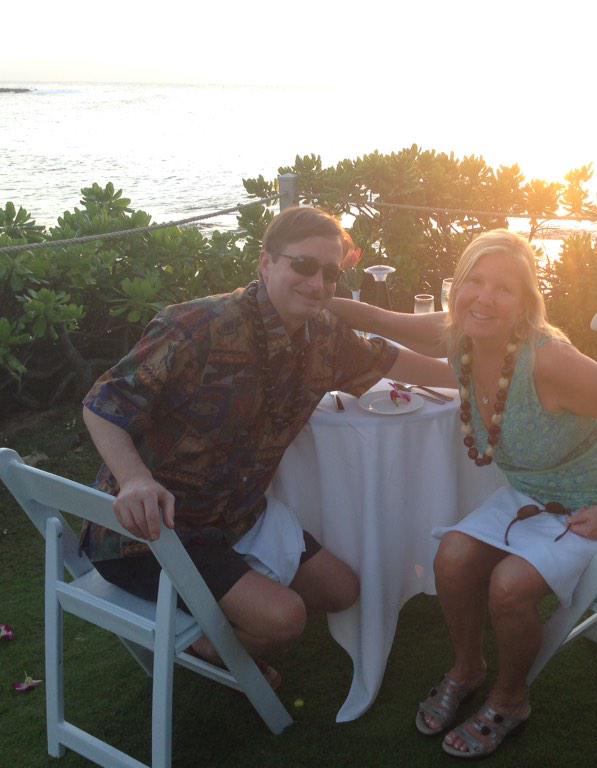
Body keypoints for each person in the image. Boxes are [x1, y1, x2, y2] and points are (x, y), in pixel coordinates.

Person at [80, 205, 454, 689]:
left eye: (330, 272)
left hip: (238, 515)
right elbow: (103, 402)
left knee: (343, 590)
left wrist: (489, 379)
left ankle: (227, 603)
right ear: (266, 263)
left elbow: (397, 362)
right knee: (284, 619)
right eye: (303, 265)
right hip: (154, 532)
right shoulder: (196, 326)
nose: (317, 284)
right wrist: (133, 478)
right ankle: (210, 644)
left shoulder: (324, 337)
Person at [328, 229, 597, 758]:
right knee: (452, 559)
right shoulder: (461, 337)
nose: (484, 298)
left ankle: (511, 698)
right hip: (536, 493)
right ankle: (468, 668)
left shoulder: (549, 358)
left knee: (509, 587)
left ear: (526, 304)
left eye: (504, 288)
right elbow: (386, 322)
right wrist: (318, 300)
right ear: (457, 288)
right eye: (475, 282)